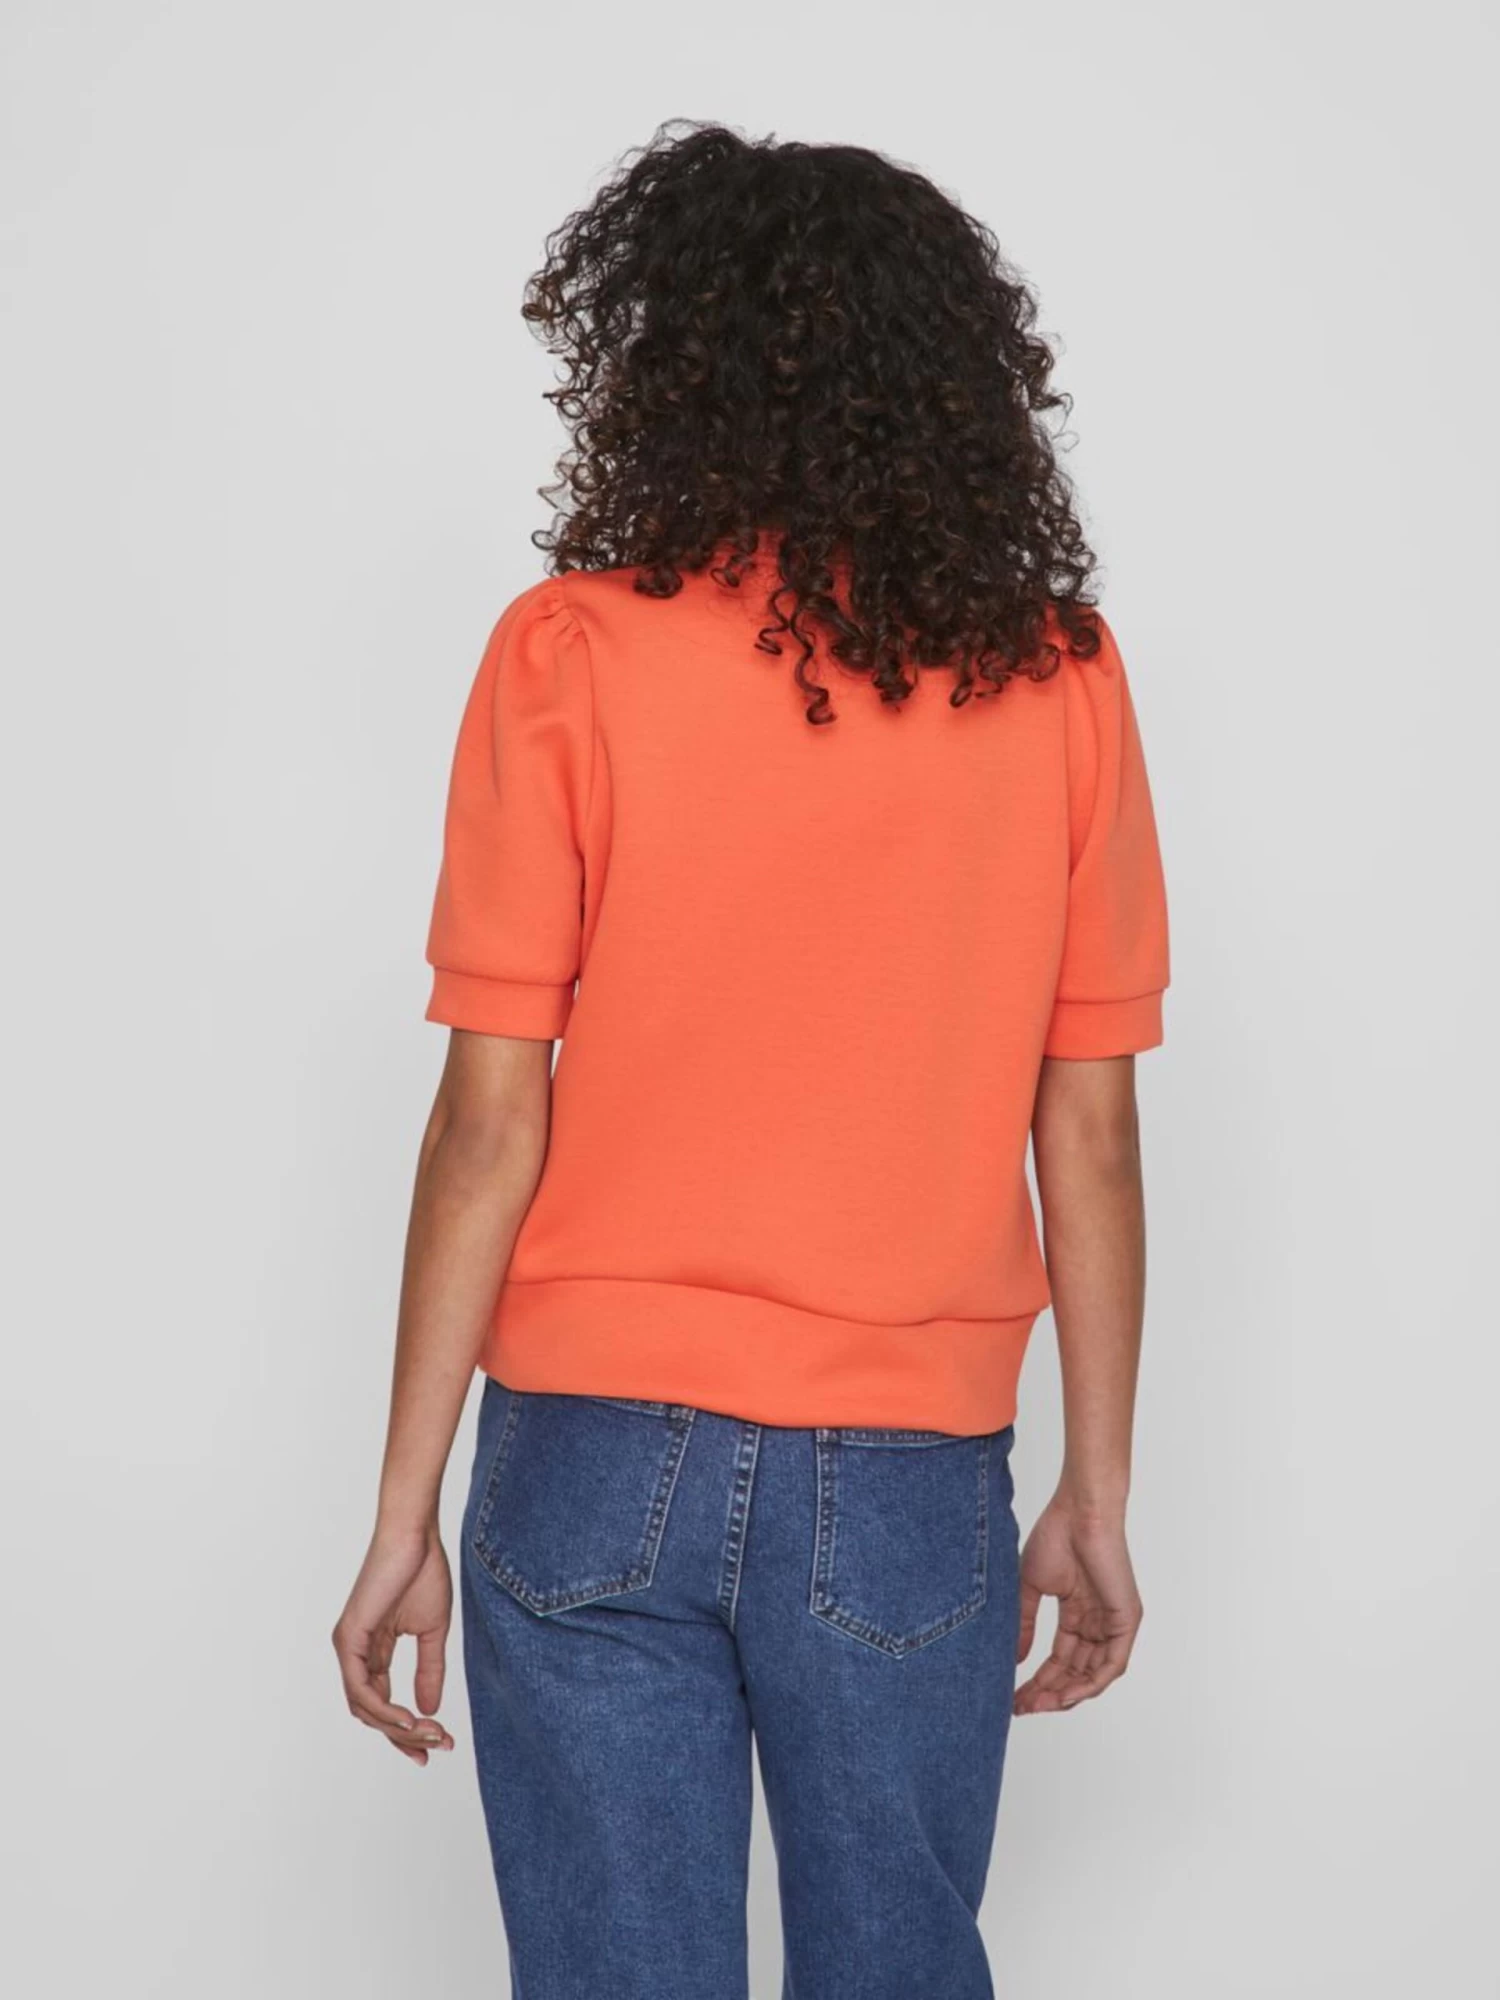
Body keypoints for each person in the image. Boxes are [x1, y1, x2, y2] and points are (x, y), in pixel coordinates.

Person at [333, 121, 1169, 2000]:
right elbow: (1094, 1134)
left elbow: (488, 1119)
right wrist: (1098, 1493)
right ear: (958, 375)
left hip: (585, 1452)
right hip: (908, 1474)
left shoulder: (569, 653)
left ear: (669, 368)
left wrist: (401, 1513)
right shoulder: (1059, 677)